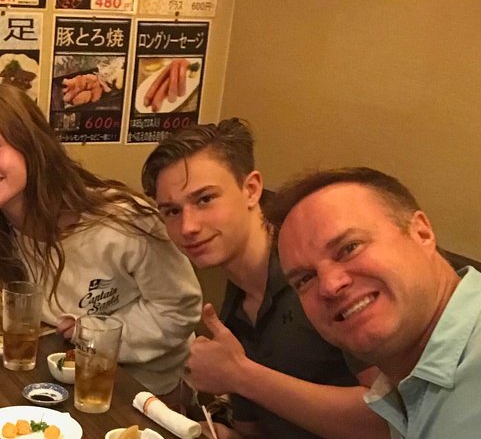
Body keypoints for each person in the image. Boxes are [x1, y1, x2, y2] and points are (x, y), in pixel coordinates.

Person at [0, 83, 202, 395]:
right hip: (58, 382)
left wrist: (91, 333)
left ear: (31, 144)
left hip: (143, 390)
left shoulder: (123, 220)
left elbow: (178, 311)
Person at [141, 119, 388, 439]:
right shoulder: (233, 308)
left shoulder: (323, 276)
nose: (188, 226)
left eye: (205, 199)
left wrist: (240, 375)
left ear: (251, 189)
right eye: (172, 211)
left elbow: (388, 419)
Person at [270, 167, 481, 439]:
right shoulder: (403, 394)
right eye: (306, 279)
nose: (329, 285)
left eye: (349, 248)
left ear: (421, 233)